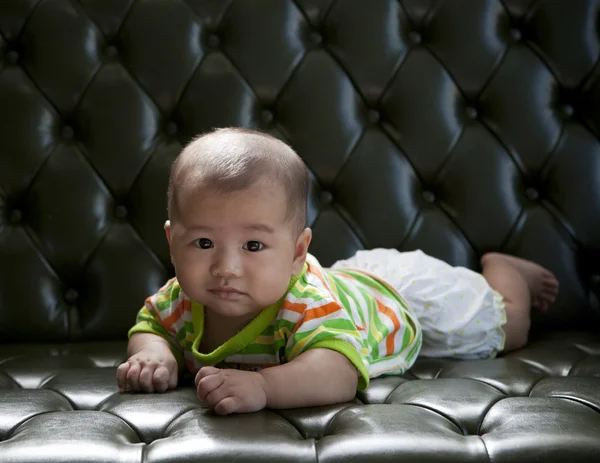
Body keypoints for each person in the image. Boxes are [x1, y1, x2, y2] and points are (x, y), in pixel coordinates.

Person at [116, 128, 559, 415]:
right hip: (348, 286)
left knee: (510, 326)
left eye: (253, 245)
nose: (226, 268)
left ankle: (503, 270)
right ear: (173, 243)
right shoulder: (183, 298)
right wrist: (154, 352)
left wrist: (265, 388)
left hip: (399, 299)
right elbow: (150, 322)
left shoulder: (306, 306)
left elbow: (338, 374)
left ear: (297, 252)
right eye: (204, 243)